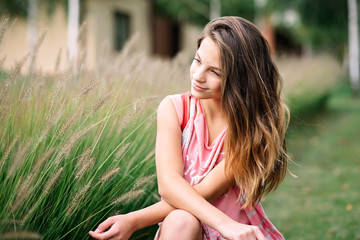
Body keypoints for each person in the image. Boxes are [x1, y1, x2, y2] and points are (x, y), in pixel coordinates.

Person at [89, 16, 289, 240]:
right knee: (181, 219)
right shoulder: (175, 109)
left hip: (236, 232)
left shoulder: (251, 124)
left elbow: (206, 191)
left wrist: (135, 220)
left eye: (215, 72)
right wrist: (133, 220)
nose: (198, 75)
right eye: (197, 60)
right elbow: (170, 186)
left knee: (183, 215)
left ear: (240, 80)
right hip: (183, 231)